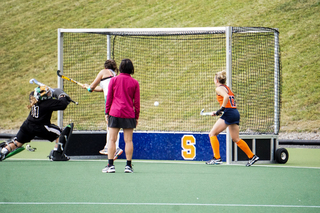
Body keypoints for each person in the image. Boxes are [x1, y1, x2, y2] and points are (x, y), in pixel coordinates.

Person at [0, 86, 73, 161]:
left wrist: (46, 90)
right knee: (61, 133)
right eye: (48, 94)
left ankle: (3, 151)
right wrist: (61, 95)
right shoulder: (47, 103)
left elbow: (34, 92)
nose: (50, 94)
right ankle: (56, 154)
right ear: (43, 97)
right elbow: (63, 104)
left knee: (18, 142)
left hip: (27, 125)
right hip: (40, 127)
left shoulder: (33, 97)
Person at [206, 70, 259, 166]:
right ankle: (252, 156)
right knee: (235, 138)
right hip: (234, 112)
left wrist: (221, 109)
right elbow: (228, 102)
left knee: (212, 134)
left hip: (229, 113)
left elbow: (226, 97)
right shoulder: (227, 88)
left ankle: (217, 158)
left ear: (216, 80)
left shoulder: (218, 89)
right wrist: (218, 112)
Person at [103, 58, 140, 173]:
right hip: (129, 114)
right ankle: (128, 166)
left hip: (114, 113)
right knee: (128, 140)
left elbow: (109, 98)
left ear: (120, 68)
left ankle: (110, 165)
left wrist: (106, 112)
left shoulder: (114, 80)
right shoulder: (135, 83)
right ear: (131, 69)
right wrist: (136, 116)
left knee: (112, 139)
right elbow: (137, 102)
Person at [83, 59, 123, 160]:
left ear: (105, 66)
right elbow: (102, 89)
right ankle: (111, 147)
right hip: (118, 101)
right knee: (113, 124)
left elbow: (91, 88)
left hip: (109, 101)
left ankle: (113, 148)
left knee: (110, 124)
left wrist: (88, 87)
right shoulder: (114, 75)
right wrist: (88, 87)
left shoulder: (103, 72)